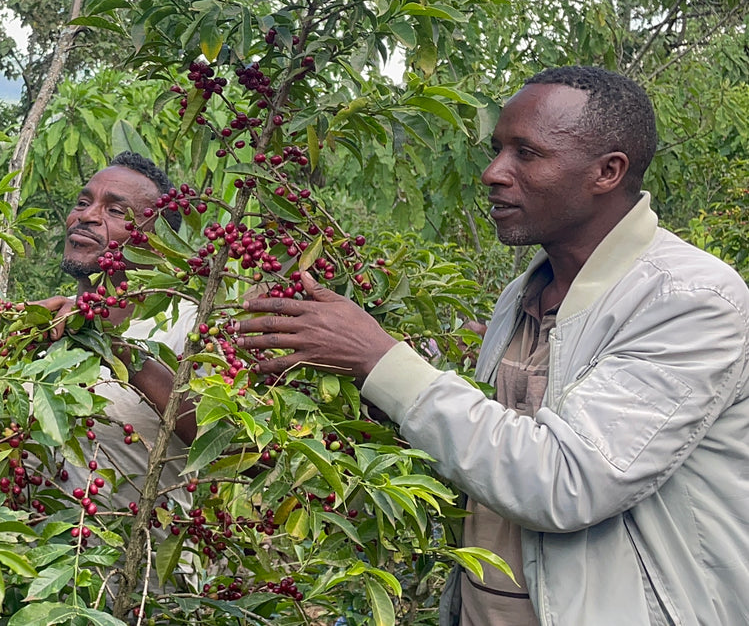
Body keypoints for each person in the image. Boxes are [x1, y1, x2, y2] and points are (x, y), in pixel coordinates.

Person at [239, 66, 749, 625]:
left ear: (608, 171)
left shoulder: (691, 299)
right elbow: (488, 457)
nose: (492, 173)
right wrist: (353, 387)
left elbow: (566, 482)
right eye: (498, 150)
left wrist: (380, 359)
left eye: (526, 154)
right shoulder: (524, 293)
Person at [35, 152, 197, 516]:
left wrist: (109, 342)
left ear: (157, 242)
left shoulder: (189, 329)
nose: (87, 216)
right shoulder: (40, 329)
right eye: (82, 203)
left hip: (135, 550)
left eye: (115, 211)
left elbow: (234, 448)